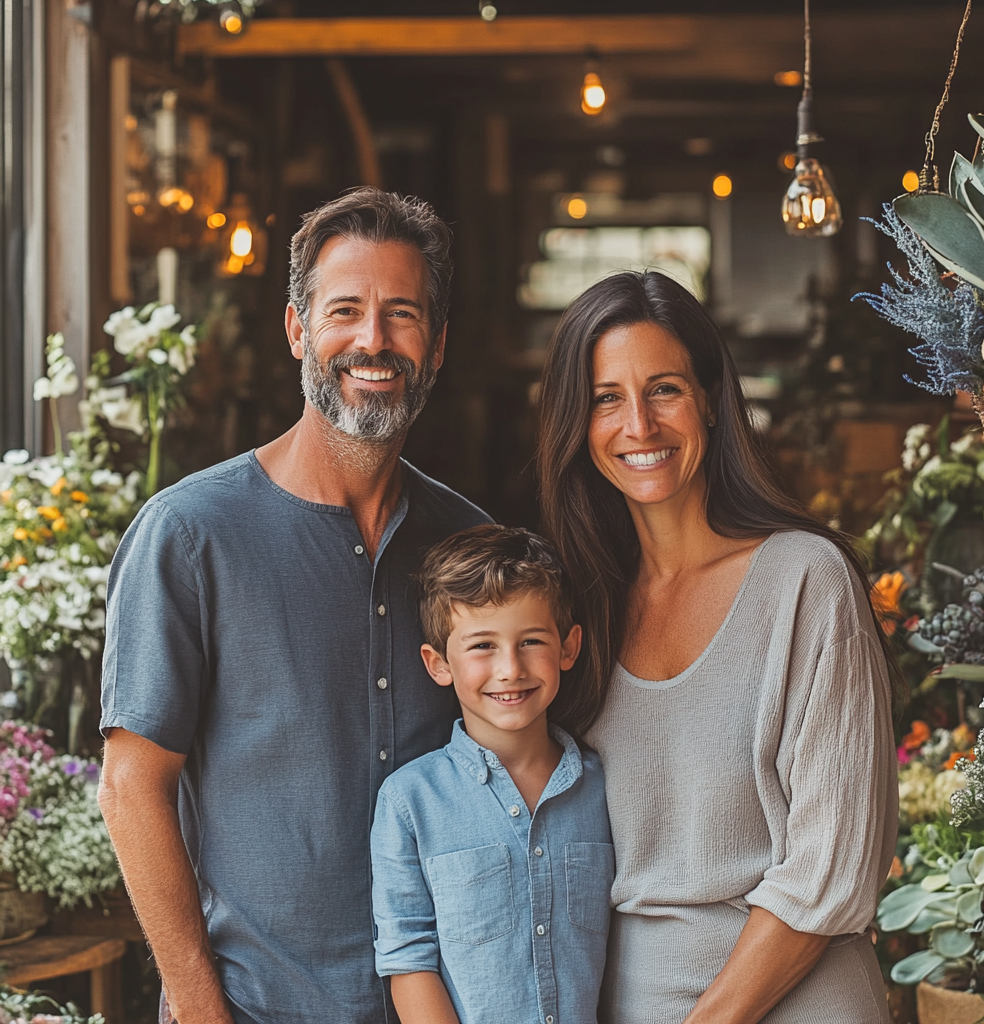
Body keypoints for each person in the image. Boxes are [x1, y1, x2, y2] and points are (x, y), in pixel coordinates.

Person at [97, 188, 489, 1024]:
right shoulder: (190, 534)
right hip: (252, 1008)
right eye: (344, 309)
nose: (373, 340)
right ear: (297, 331)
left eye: (403, 314)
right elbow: (132, 790)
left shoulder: (469, 544)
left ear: (440, 344)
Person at [535, 270, 900, 1024]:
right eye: (607, 397)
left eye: (664, 388)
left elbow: (832, 865)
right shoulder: (578, 612)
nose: (638, 424)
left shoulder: (804, 580)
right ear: (578, 420)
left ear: (709, 397)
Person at [370, 524, 613, 1024]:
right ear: (439, 663)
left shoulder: (605, 786)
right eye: (482, 646)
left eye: (531, 641)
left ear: (568, 648)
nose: (510, 668)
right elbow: (407, 957)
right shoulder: (409, 801)